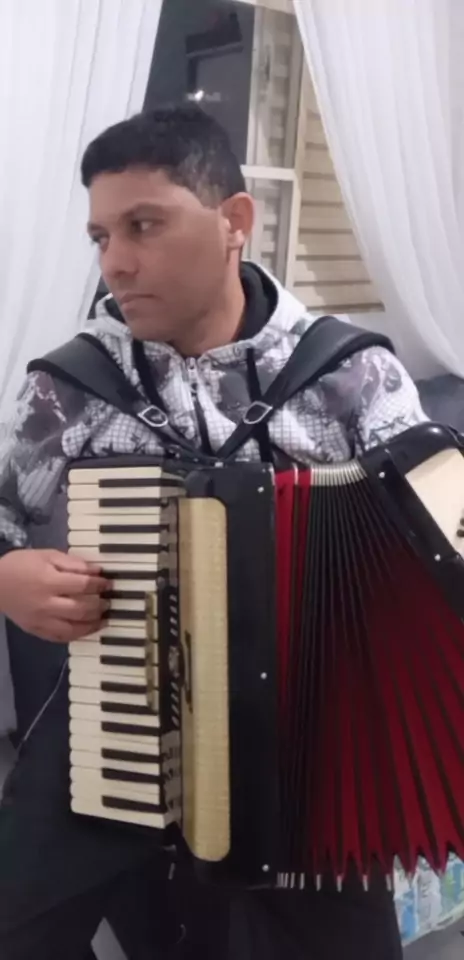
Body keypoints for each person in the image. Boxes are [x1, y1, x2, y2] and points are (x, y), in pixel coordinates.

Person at [0, 106, 426, 959]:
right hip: (115, 731)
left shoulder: (354, 377)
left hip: (310, 758)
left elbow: (437, 554)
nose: (115, 263)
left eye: (144, 225)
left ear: (235, 221)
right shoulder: (72, 385)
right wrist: (6, 575)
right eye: (101, 236)